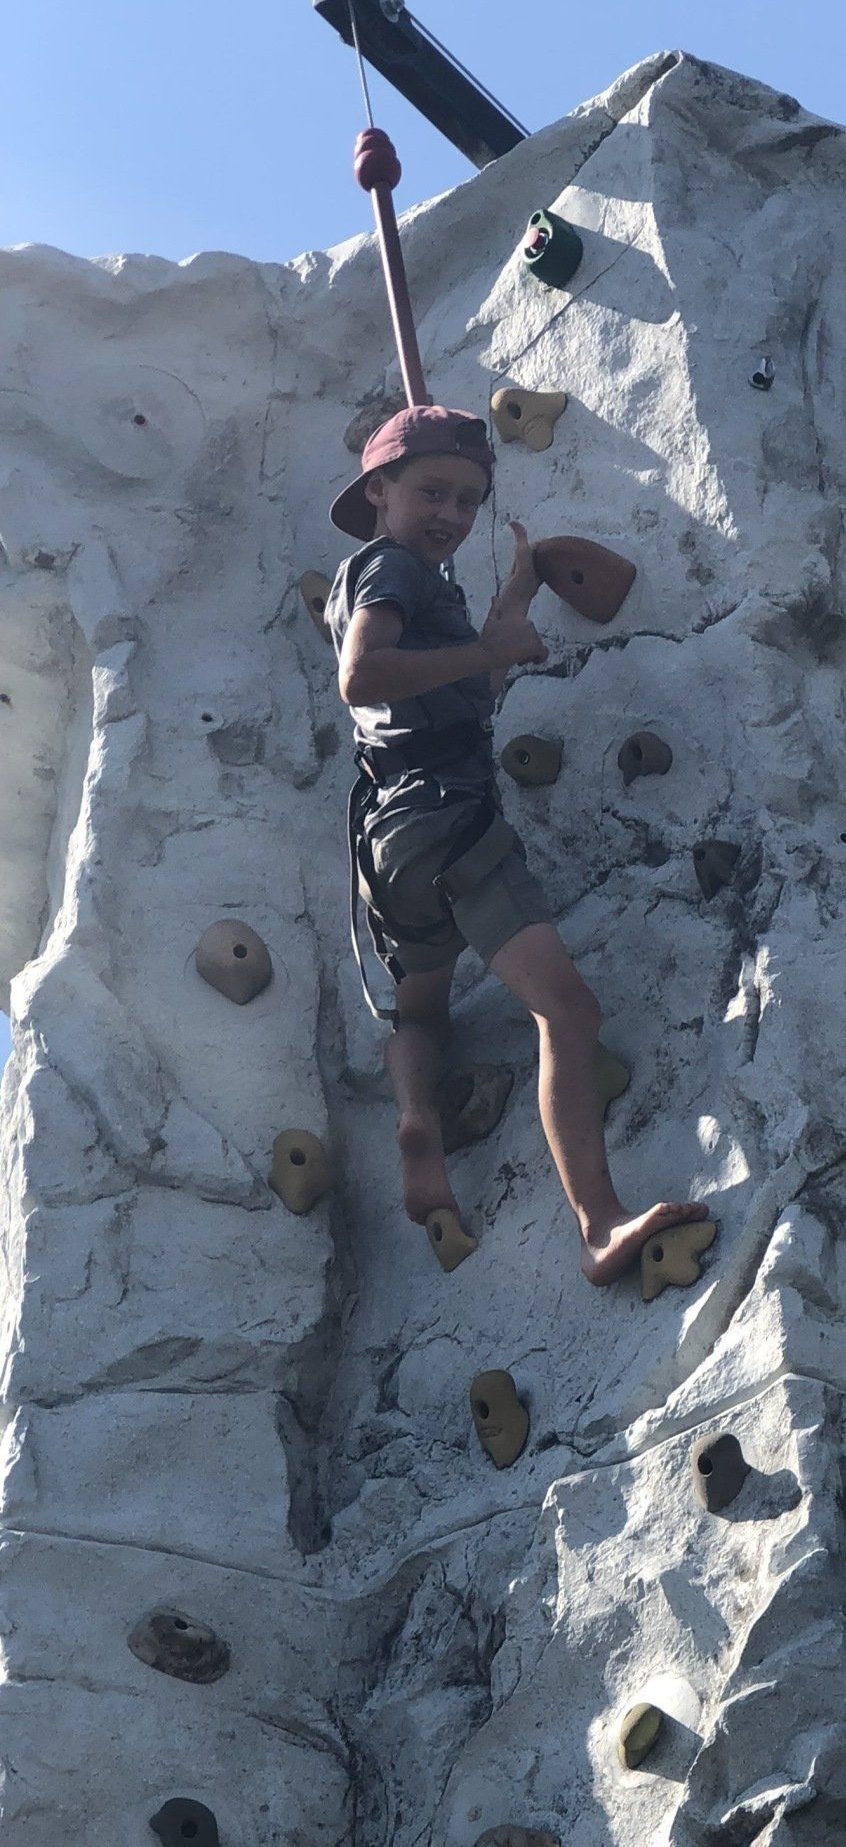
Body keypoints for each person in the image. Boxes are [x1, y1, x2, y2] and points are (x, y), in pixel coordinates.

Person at [324, 404, 705, 1286]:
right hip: (449, 821)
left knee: (420, 1013)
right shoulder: (390, 569)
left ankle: (418, 1120)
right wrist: (480, 649)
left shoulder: (388, 578)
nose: (451, 514)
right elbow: (362, 676)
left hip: (389, 844)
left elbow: (470, 687)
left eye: (468, 499)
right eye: (431, 492)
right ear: (378, 491)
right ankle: (599, 1223)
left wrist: (516, 596)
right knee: (567, 1013)